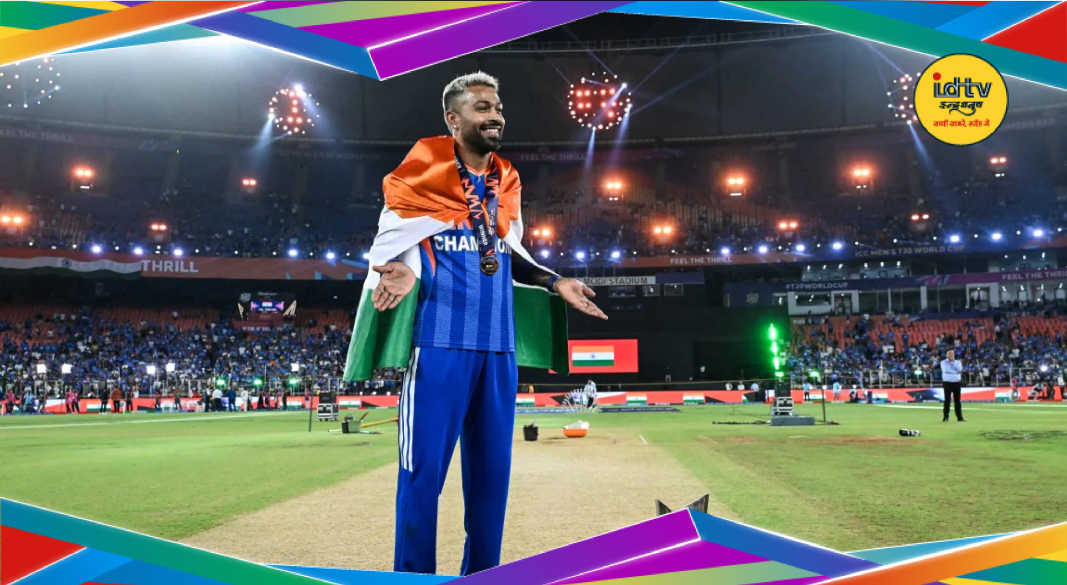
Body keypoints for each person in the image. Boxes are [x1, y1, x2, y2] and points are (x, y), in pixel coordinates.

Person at [342, 72, 605, 577]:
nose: (495, 115)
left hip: (498, 350)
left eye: (498, 107)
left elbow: (510, 252)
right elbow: (393, 242)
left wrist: (555, 283)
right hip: (439, 345)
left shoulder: (505, 182)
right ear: (453, 119)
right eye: (482, 107)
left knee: (491, 485)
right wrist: (395, 264)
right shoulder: (420, 182)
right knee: (421, 482)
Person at [940, 349, 966, 422]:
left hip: (956, 383)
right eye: (949, 353)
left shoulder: (958, 362)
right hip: (947, 383)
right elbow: (946, 370)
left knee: (957, 401)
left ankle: (959, 417)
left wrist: (953, 364)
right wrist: (955, 371)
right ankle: (945, 416)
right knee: (947, 400)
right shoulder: (943, 362)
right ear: (946, 355)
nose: (951, 355)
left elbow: (960, 369)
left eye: (952, 353)